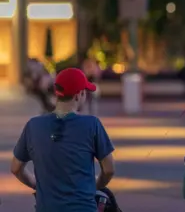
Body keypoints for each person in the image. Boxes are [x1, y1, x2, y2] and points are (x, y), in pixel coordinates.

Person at [11, 68, 116, 212]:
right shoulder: (92, 124)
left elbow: (16, 168)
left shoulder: (33, 125)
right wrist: (96, 185)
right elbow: (109, 169)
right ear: (79, 95)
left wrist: (37, 185)